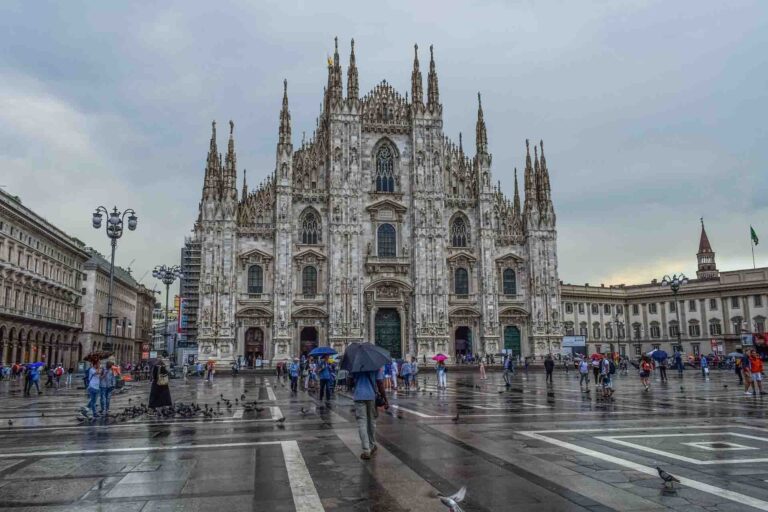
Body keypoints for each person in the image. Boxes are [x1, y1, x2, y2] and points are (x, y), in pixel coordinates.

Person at [352, 366, 388, 460]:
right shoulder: (375, 365)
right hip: (371, 396)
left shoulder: (355, 365)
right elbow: (380, 383)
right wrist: (385, 399)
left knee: (362, 422)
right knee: (371, 421)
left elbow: (350, 381)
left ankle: (366, 450)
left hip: (358, 396)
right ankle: (372, 445)